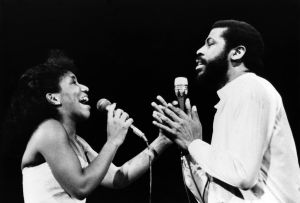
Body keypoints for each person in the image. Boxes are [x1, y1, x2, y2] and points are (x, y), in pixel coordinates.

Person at [151, 20, 300, 202]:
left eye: (210, 43)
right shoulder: (230, 101)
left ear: (237, 52)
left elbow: (243, 175)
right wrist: (189, 150)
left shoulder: (251, 89)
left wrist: (194, 143)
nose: (199, 50)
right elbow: (217, 195)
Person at [2, 50, 171, 203]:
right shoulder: (49, 129)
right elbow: (80, 188)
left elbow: (119, 177)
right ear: (54, 98)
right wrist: (112, 141)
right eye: (74, 82)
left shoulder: (78, 142)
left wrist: (162, 140)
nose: (85, 88)